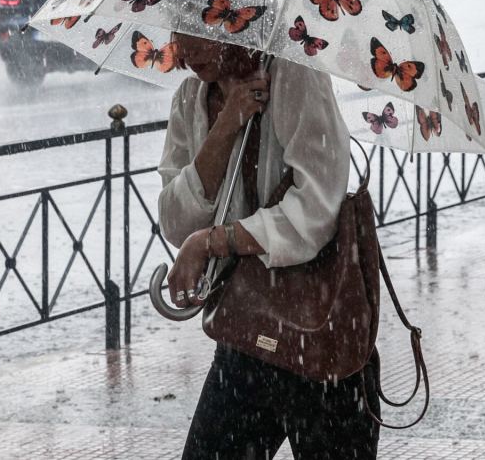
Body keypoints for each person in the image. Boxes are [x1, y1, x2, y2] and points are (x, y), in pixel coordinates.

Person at [158, 33, 382, 460]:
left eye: (196, 31)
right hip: (246, 333)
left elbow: (316, 209)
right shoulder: (190, 97)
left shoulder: (294, 73)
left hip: (325, 337)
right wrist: (225, 127)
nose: (183, 52)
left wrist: (211, 242)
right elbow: (175, 220)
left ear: (231, 20)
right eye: (175, 31)